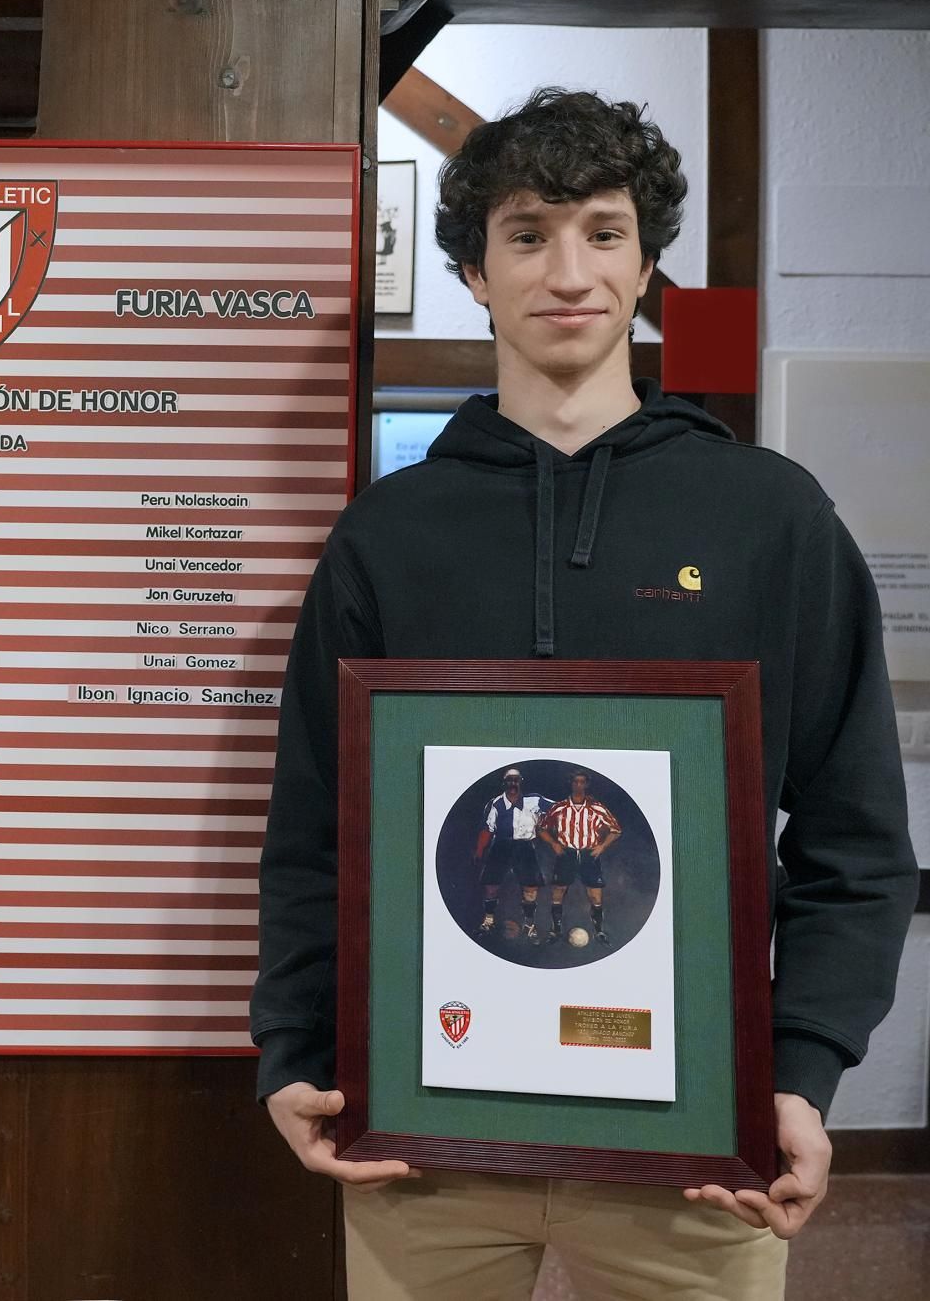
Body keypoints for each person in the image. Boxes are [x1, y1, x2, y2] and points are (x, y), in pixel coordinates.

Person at [252, 88, 917, 1298]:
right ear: (471, 270)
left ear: (649, 260)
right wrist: (294, 1051)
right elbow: (315, 832)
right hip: (425, 1138)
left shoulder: (772, 520)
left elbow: (857, 839)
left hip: (702, 1147)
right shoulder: (387, 537)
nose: (569, 271)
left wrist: (801, 1076)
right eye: (527, 233)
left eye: (604, 232)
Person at [538, 768, 622, 944]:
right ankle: (555, 931)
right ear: (571, 784)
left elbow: (616, 830)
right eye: (575, 781)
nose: (578, 785)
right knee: (558, 891)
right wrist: (554, 843)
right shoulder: (559, 808)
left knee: (595, 895)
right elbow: (541, 828)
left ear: (587, 784)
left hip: (588, 854)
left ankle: (599, 931)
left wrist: (602, 846)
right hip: (566, 853)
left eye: (582, 782)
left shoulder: (597, 808)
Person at [470, 766, 550, 941]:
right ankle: (488, 922)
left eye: (516, 779)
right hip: (501, 846)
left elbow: (558, 809)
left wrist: (546, 822)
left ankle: (530, 926)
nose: (513, 783)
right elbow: (487, 829)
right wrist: (479, 849)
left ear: (521, 781)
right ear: (504, 783)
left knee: (530, 887)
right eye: (509, 780)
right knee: (491, 885)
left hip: (525, 847)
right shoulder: (495, 803)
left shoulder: (534, 800)